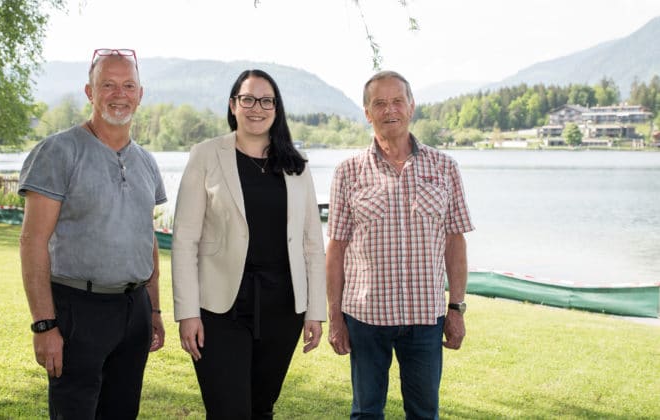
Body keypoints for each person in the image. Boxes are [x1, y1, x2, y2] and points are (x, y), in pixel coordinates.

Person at [18, 48, 166, 419]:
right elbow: (32, 241)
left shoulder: (147, 162)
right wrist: (44, 325)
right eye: (108, 85)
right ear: (90, 92)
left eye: (128, 85)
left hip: (135, 311)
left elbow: (146, 241)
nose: (120, 94)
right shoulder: (59, 151)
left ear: (140, 93)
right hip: (76, 310)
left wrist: (156, 309)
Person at [171, 69, 326, 419]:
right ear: (233, 105)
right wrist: (187, 312)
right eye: (248, 99)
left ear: (277, 107)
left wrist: (316, 310)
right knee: (229, 411)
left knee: (261, 408)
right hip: (219, 308)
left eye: (266, 100)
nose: (257, 107)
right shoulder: (206, 155)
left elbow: (312, 244)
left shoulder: (296, 166)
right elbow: (184, 240)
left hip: (283, 308)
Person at [326, 70, 474, 419]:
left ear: (411, 106)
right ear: (367, 112)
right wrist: (335, 316)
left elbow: (455, 243)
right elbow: (336, 249)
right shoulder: (348, 171)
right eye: (379, 103)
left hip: (425, 318)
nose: (389, 109)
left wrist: (457, 308)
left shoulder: (444, 167)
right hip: (365, 318)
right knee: (366, 412)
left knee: (424, 413)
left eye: (397, 101)